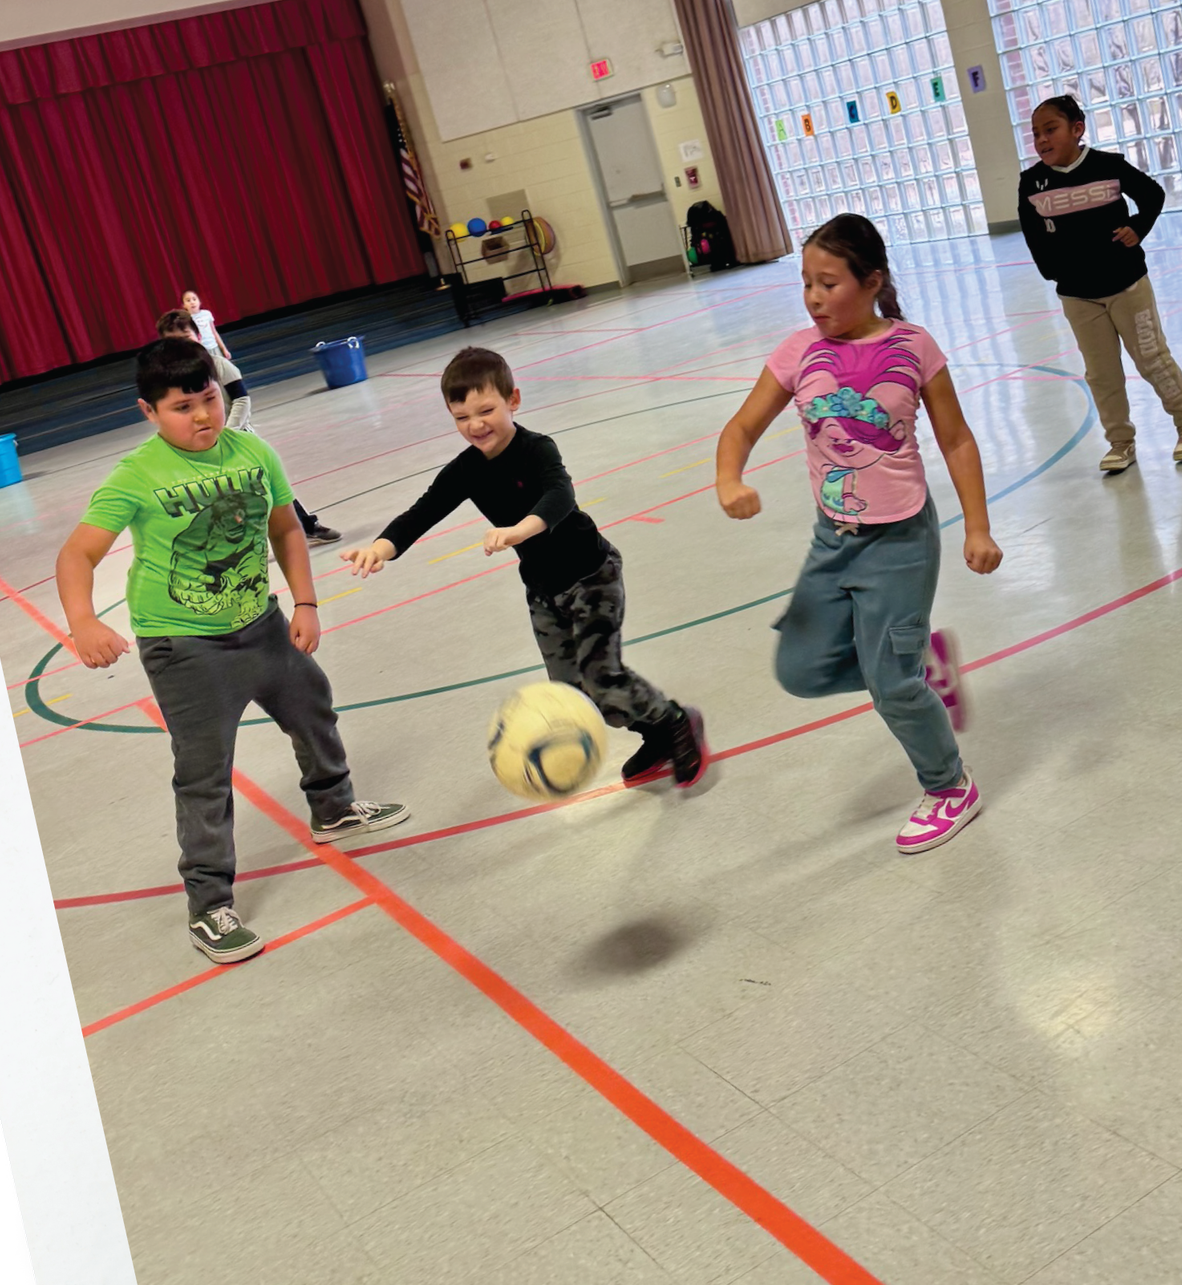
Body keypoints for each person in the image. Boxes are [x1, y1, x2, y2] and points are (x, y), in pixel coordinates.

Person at [56, 332, 407, 966]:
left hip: (262, 623)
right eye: (181, 407)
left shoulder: (254, 452)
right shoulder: (137, 476)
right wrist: (82, 621)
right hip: (184, 646)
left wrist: (305, 602)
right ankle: (209, 904)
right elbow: (77, 553)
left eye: (209, 399)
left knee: (312, 706)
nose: (201, 417)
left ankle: (334, 809)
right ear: (149, 412)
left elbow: (285, 527)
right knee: (205, 774)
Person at [714, 213, 999, 857]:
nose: (814, 298)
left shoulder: (914, 347)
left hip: (900, 541)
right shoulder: (798, 353)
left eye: (828, 283)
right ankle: (916, 671)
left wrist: (976, 527)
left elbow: (955, 439)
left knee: (890, 685)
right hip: (833, 538)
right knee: (800, 669)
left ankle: (950, 785)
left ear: (871, 282)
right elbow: (739, 429)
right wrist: (730, 480)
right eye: (806, 284)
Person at [345, 345, 710, 794]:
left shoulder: (537, 449)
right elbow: (424, 510)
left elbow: (560, 496)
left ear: (513, 400)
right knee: (574, 697)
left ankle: (675, 721)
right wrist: (382, 548)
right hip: (542, 591)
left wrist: (520, 530)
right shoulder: (466, 470)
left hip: (591, 576)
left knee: (602, 675)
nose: (475, 425)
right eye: (461, 417)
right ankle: (651, 733)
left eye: (486, 410)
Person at [1015, 96, 1182, 475]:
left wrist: (1138, 228)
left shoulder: (1108, 166)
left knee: (1152, 359)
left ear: (1077, 129)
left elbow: (1152, 195)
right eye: (1035, 133)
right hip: (1078, 296)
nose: (1041, 140)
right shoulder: (1031, 182)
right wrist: (1053, 271)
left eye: (1050, 129)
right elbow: (1032, 233)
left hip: (1127, 286)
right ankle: (1120, 442)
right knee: (1101, 373)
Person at [161, 302, 340, 546]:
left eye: (185, 337)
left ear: (198, 335)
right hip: (205, 448)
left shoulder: (219, 366)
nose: (181, 345)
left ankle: (307, 526)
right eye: (174, 341)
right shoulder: (173, 379)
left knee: (270, 485)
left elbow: (241, 399)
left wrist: (228, 433)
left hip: (238, 439)